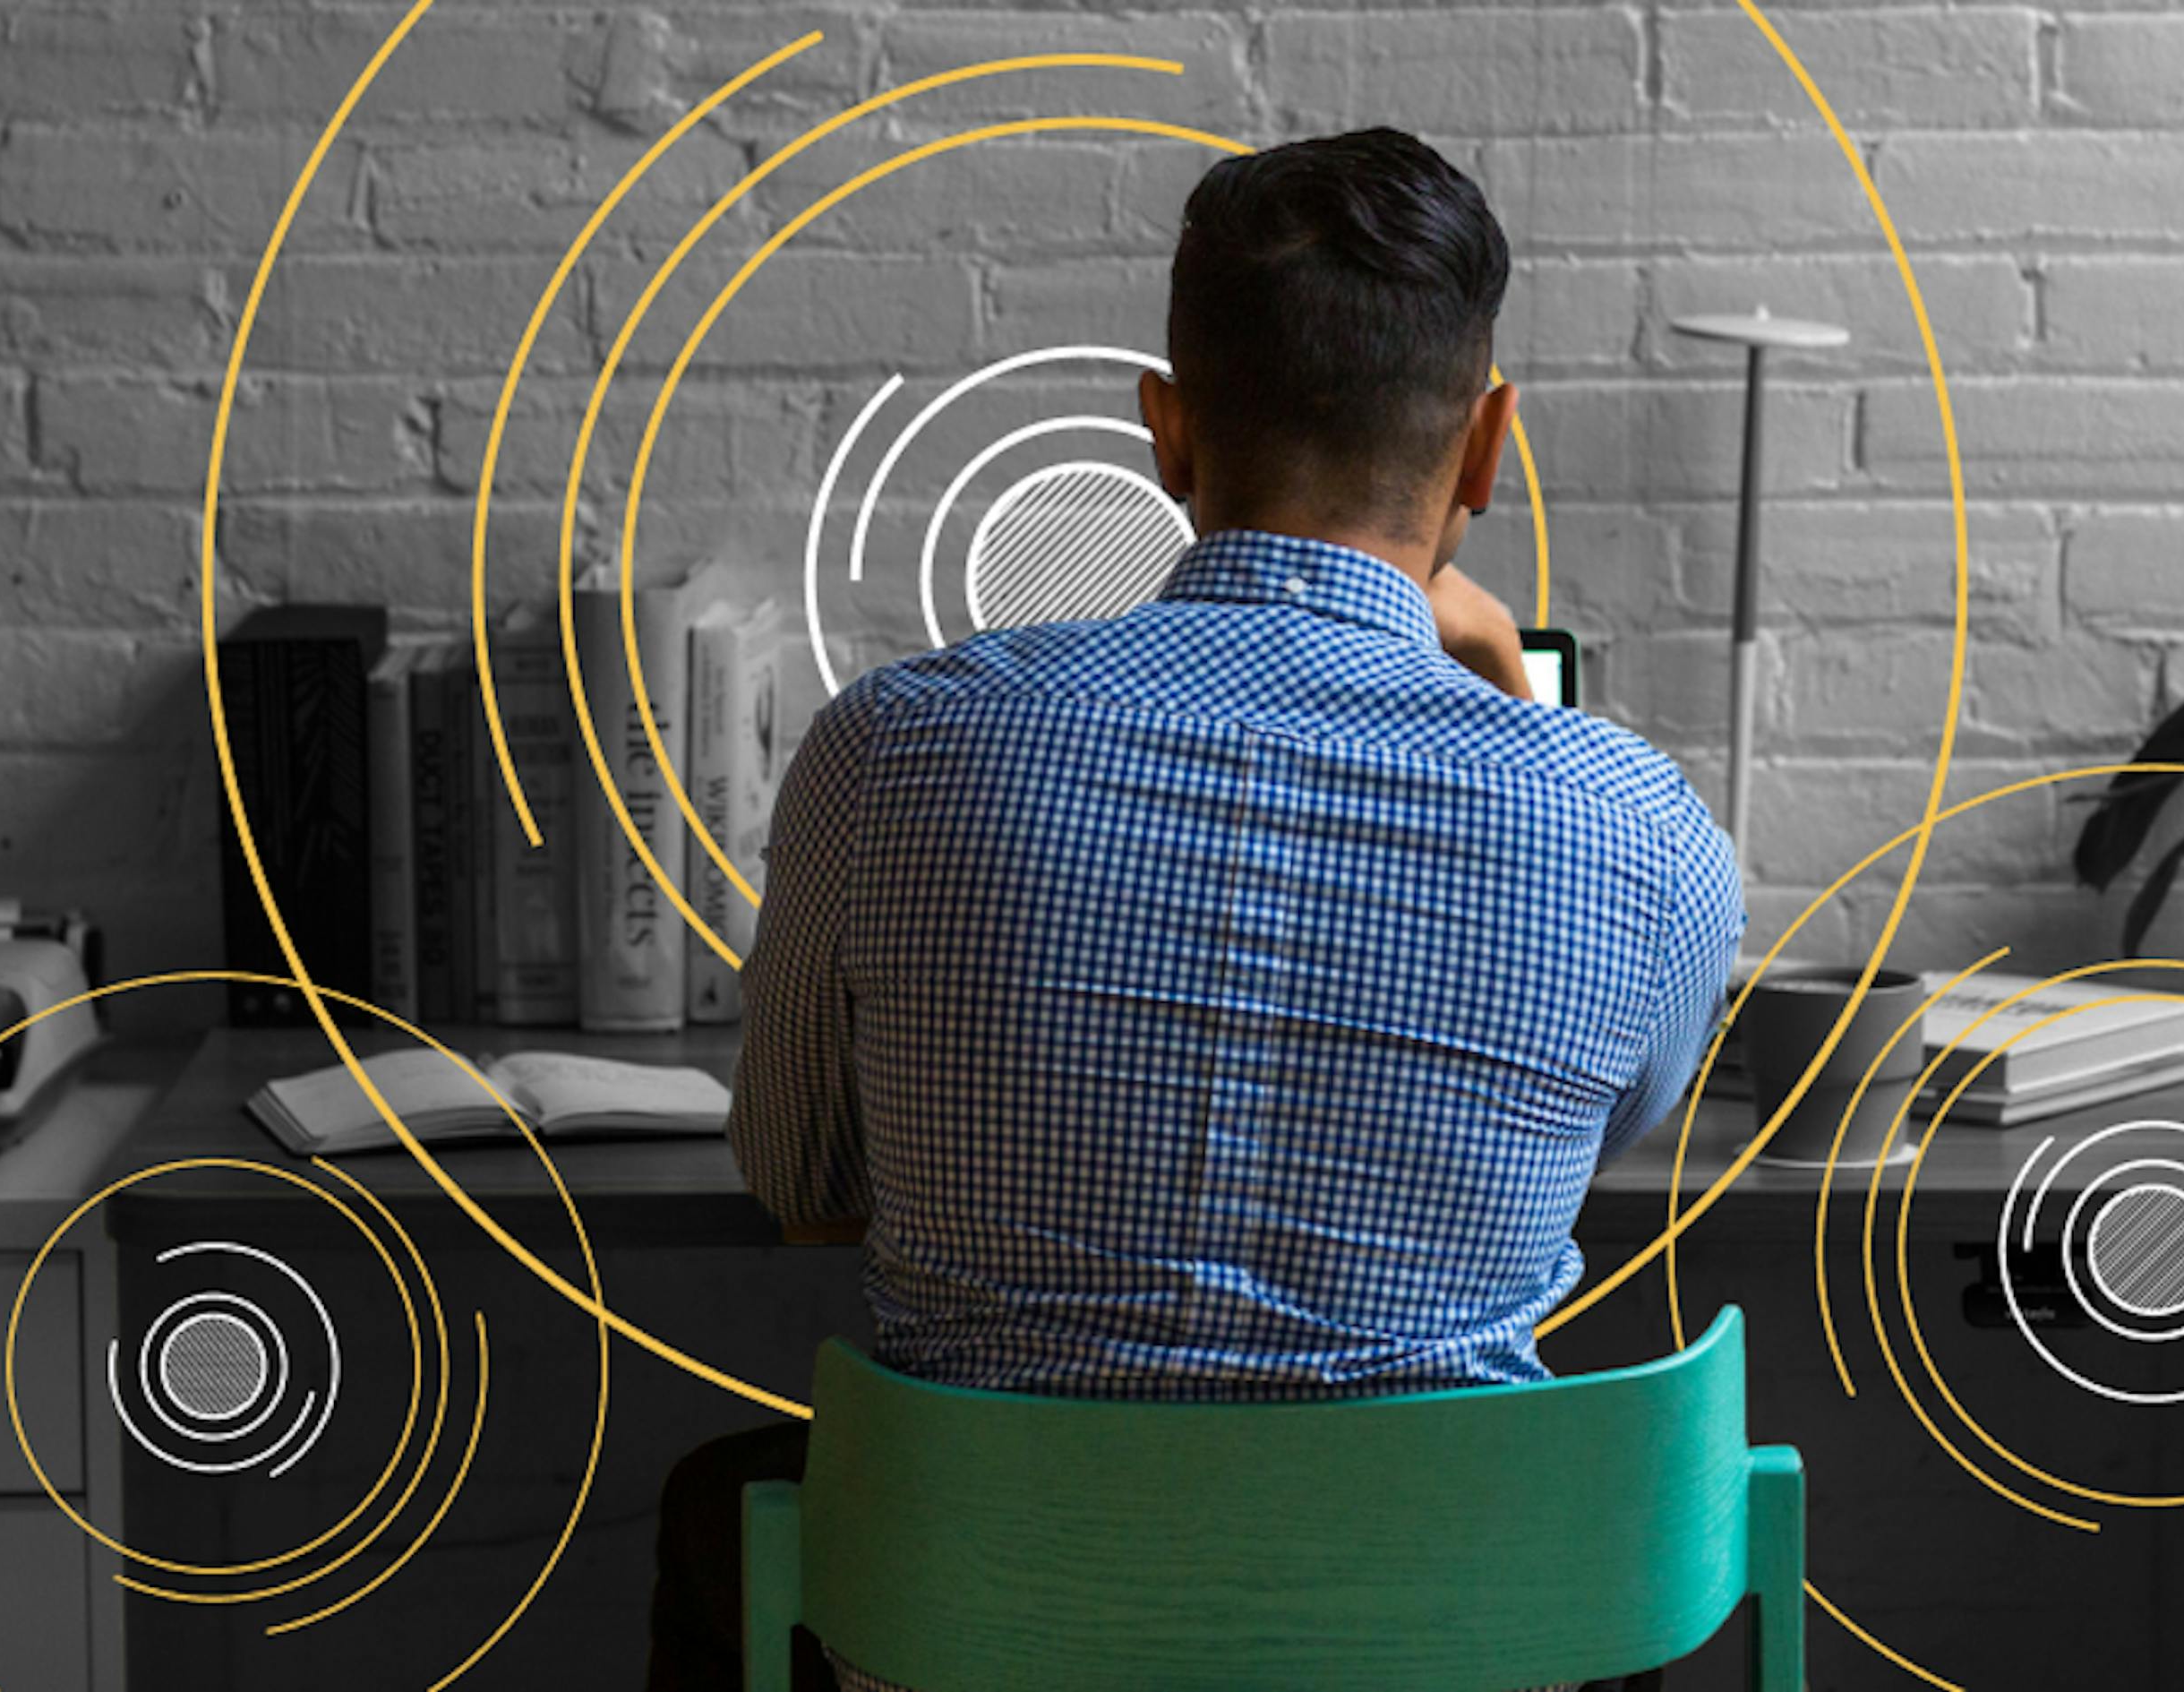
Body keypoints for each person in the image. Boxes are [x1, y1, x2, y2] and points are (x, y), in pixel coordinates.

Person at [647, 126, 1743, 1692]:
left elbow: (804, 1183)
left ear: (1164, 431)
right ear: (1491, 447)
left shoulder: (894, 751)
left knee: (723, 1495)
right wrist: (1516, 700)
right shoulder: (1646, 838)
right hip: (1446, 1641)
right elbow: (1587, 1154)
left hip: (994, 1643)